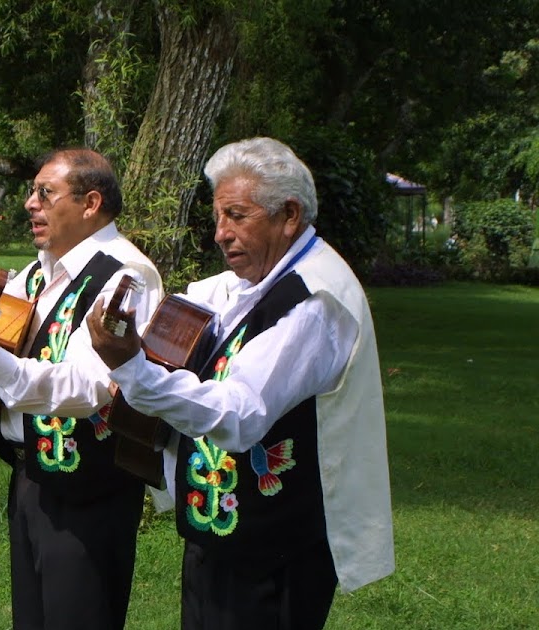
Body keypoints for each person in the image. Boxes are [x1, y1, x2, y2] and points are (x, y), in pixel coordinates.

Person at [86, 137, 394, 629]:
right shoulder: (256, 282)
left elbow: (240, 414)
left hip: (274, 554)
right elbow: (201, 301)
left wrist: (134, 371)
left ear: (288, 214)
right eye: (218, 217)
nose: (220, 234)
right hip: (224, 536)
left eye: (237, 215)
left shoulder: (315, 302)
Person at [0, 148, 163, 630]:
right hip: (31, 478)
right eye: (31, 191)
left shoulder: (126, 276)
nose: (29, 204)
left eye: (45, 192)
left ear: (90, 203)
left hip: (90, 492)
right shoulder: (40, 270)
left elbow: (90, 389)